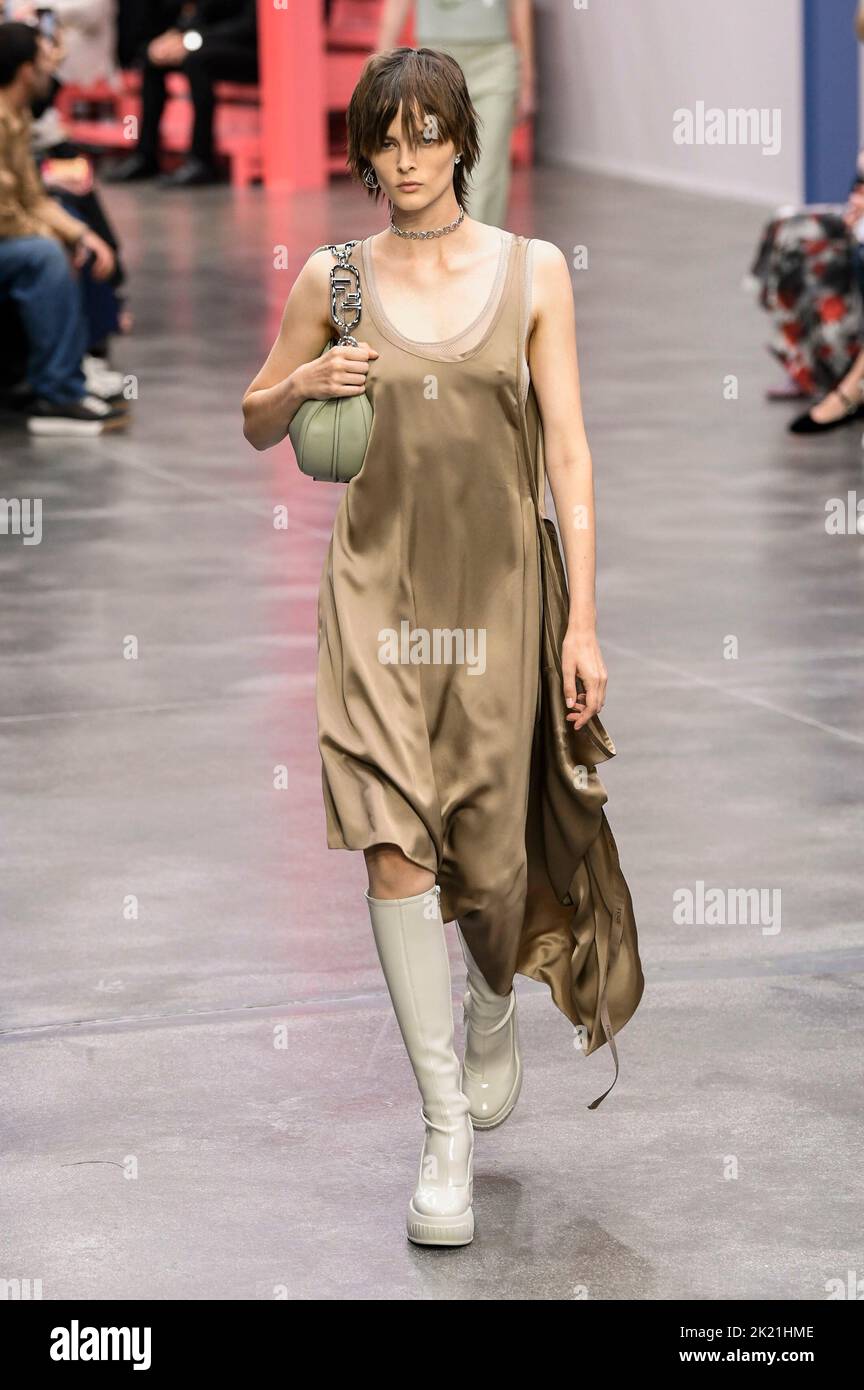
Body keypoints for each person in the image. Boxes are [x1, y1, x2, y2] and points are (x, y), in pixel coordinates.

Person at [242, 46, 643, 1247]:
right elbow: (259, 415)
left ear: (463, 140)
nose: (406, 159)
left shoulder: (532, 274)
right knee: (388, 845)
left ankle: (489, 993)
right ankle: (443, 1137)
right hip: (372, 598)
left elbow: (567, 451)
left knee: (490, 863)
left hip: (500, 601)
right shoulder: (336, 276)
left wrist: (581, 620)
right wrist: (308, 371)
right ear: (362, 150)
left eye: (427, 134)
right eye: (385, 138)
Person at [0, 21, 126, 433]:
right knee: (44, 255)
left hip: (10, 228)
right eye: (42, 62)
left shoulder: (14, 113)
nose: (49, 72)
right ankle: (57, 391)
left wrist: (80, 236)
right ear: (24, 71)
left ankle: (76, 362)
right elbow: (4, 213)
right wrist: (53, 236)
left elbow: (32, 196)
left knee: (74, 221)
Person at [377, 0, 534, 229]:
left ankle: (477, 255)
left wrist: (527, 77)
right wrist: (379, 76)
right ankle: (441, 251)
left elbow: (520, 4)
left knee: (485, 174)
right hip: (434, 66)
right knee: (433, 169)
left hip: (494, 63)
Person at [106, 0, 258, 187]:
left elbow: (248, 26)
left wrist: (192, 40)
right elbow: (198, 17)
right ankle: (145, 156)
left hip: (248, 50)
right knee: (153, 61)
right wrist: (173, 38)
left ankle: (201, 161)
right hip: (207, 44)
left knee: (197, 62)